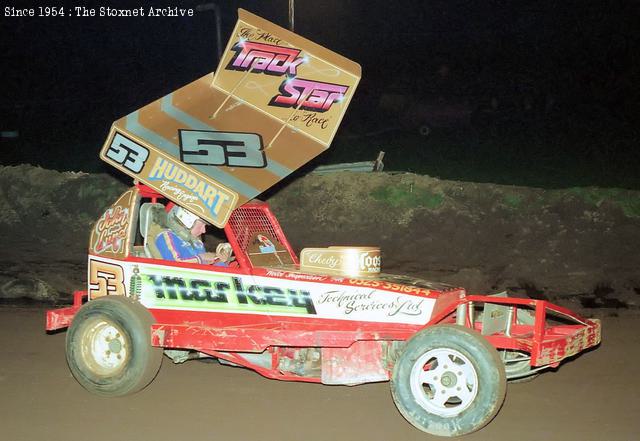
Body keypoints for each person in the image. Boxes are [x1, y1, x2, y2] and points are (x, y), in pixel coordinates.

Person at [155, 205, 232, 265]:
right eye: (201, 225)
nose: (204, 231)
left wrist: (221, 260)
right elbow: (174, 264)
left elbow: (207, 270)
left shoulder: (197, 242)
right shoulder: (165, 236)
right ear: (187, 220)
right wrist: (201, 258)